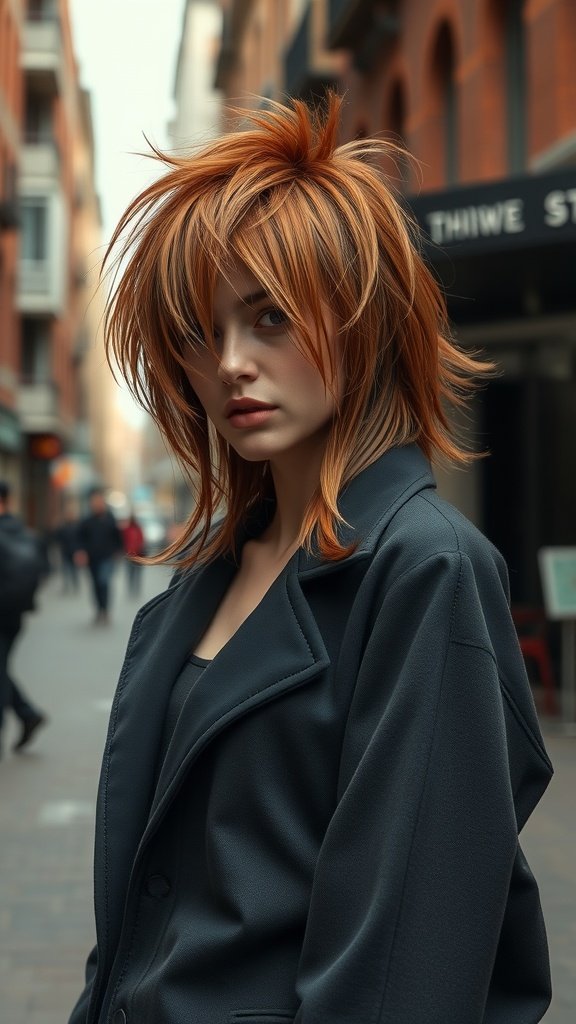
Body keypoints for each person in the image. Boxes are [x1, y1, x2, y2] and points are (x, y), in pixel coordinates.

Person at [69, 96, 553, 1024]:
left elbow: (405, 966)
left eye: (271, 319)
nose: (232, 365)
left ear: (361, 319)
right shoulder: (204, 581)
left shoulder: (426, 570)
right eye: (200, 334)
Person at [0, 481, 47, 755]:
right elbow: (43, 569)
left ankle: (23, 717)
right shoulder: (24, 532)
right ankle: (27, 714)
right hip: (16, 614)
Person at [76, 489, 124, 624]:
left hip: (107, 558)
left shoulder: (110, 519)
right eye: (94, 502)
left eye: (99, 501)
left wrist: (118, 551)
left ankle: (105, 610)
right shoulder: (87, 521)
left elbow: (118, 537)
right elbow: (79, 539)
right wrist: (81, 551)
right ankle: (99, 610)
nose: (96, 504)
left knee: (104, 582)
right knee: (96, 585)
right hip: (92, 559)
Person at [121, 513, 146, 597]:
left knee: (137, 574)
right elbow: (123, 540)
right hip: (129, 555)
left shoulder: (138, 529)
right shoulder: (126, 529)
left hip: (138, 555)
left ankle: (136, 589)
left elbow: (142, 541)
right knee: (130, 573)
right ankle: (131, 589)